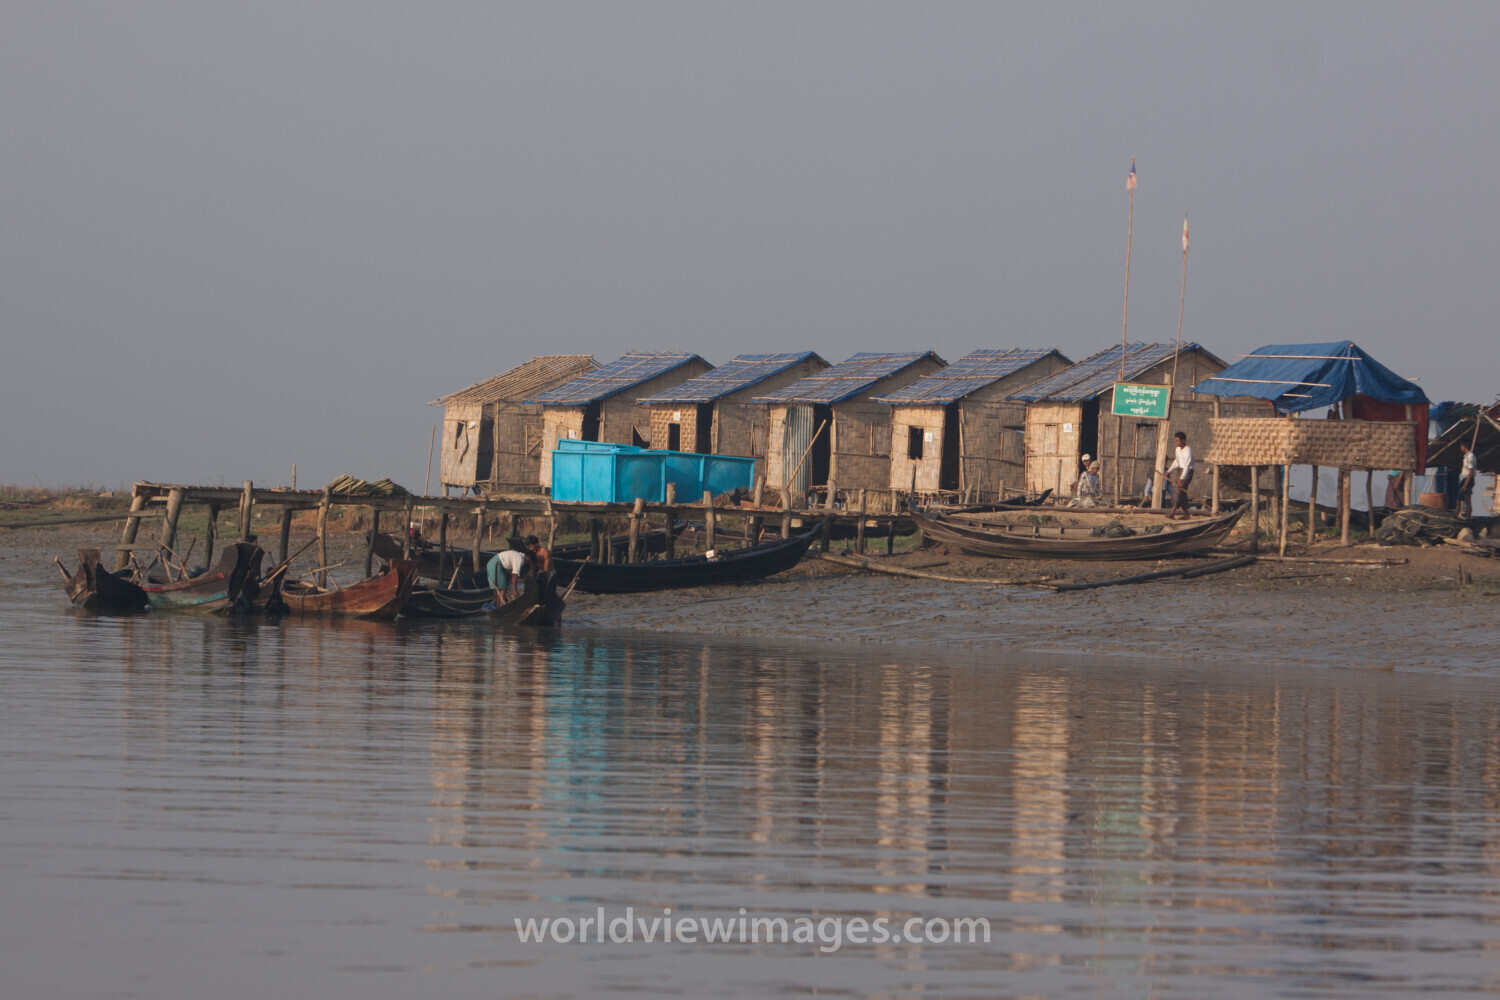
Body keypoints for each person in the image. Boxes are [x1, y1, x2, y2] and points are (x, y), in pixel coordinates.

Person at [486, 537, 530, 603]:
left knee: (502, 588)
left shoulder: (518, 556)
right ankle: (501, 605)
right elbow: (514, 576)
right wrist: (515, 591)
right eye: (530, 562)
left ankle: (499, 605)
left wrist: (509, 589)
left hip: (495, 563)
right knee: (502, 588)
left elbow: (509, 575)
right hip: (495, 564)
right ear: (528, 558)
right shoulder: (520, 559)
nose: (529, 564)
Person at [1165, 431, 1194, 518]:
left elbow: (1187, 466)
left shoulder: (1188, 451)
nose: (1176, 443)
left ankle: (1172, 512)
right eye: (1176, 441)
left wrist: (1182, 479)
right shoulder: (1177, 450)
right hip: (1180, 470)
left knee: (1178, 491)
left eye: (1178, 441)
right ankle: (1186, 514)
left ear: (1183, 440)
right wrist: (1169, 471)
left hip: (1188, 471)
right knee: (1181, 493)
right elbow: (1177, 462)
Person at [1459, 441, 1477, 518]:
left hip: (1468, 480)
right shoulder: (1466, 456)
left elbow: (1470, 471)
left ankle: (1468, 517)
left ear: (1464, 446)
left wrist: (1465, 485)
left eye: (1461, 446)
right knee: (1460, 499)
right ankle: (1463, 515)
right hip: (1464, 479)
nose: (1461, 448)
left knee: (1467, 500)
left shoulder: (1470, 456)